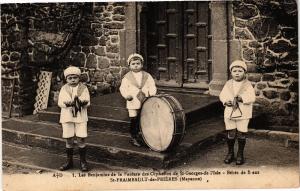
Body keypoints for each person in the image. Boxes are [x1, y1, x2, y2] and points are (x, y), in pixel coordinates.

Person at [219, 60, 256, 165]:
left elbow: (252, 97)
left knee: (241, 133)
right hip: (230, 112)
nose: (237, 73)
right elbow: (222, 95)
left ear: (244, 73)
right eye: (234, 71)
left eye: (240, 71)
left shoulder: (247, 85)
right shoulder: (228, 84)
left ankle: (240, 154)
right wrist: (226, 101)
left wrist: (242, 98)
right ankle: (230, 153)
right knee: (230, 132)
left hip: (243, 113)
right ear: (231, 73)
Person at [119, 53, 157, 147]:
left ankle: (145, 136)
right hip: (133, 102)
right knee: (134, 118)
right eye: (133, 64)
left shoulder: (147, 76)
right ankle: (134, 137)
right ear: (129, 65)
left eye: (138, 63)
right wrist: (126, 95)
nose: (136, 65)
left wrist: (152, 94)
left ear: (142, 64)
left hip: (145, 100)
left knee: (144, 117)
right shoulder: (127, 77)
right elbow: (122, 88)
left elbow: (152, 86)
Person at [58, 66, 90, 171]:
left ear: (79, 78)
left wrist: (82, 103)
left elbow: (88, 102)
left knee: (81, 138)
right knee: (69, 139)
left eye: (75, 78)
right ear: (66, 79)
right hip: (67, 116)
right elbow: (60, 102)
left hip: (80, 117)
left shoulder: (83, 88)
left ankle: (83, 162)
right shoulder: (64, 89)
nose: (72, 80)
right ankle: (69, 161)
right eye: (70, 78)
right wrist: (67, 104)